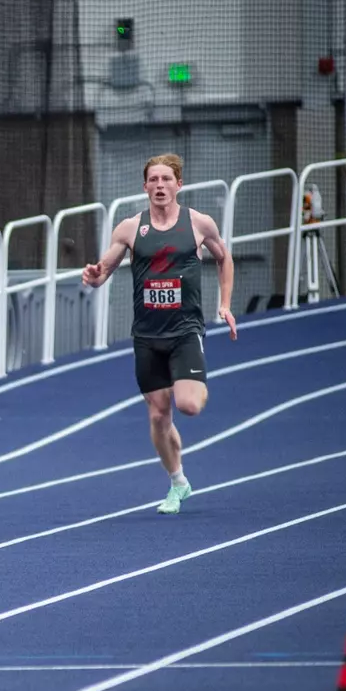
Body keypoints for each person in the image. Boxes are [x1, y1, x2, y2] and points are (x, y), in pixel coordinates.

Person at [82, 153, 237, 515]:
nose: (160, 186)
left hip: (185, 330)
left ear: (179, 184)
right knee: (158, 415)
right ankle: (177, 483)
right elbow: (102, 271)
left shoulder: (198, 223)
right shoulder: (130, 228)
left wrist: (225, 304)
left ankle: (192, 380)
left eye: (166, 179)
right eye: (153, 180)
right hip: (147, 336)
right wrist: (92, 277)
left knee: (189, 405)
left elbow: (224, 258)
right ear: (145, 186)